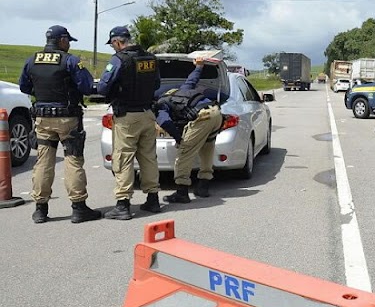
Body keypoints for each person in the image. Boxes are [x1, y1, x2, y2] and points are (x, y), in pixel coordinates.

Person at [18, 25, 102, 224]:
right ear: (62, 40)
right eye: (69, 41)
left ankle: (40, 209)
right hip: (67, 118)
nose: (69, 44)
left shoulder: (32, 60)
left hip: (42, 118)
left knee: (43, 162)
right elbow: (87, 87)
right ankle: (79, 208)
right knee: (73, 160)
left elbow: (24, 86)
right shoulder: (70, 60)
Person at [97, 26, 162, 220]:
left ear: (117, 42)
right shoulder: (150, 58)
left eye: (113, 45)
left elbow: (103, 87)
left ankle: (123, 204)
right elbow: (157, 84)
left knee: (124, 158)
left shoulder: (118, 59)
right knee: (149, 157)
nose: (113, 48)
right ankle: (153, 199)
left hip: (127, 117)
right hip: (147, 114)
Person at [155, 57, 224, 203]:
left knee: (184, 153)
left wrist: (179, 139)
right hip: (216, 113)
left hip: (202, 118)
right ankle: (203, 186)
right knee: (207, 148)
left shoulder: (161, 105)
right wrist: (199, 66)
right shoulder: (182, 90)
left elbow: (165, 122)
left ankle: (182, 192)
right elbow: (192, 79)